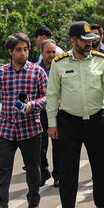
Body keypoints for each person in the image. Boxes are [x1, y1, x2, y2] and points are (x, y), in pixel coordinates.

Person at [46, 21, 104, 208]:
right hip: (69, 122)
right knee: (68, 170)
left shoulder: (100, 60)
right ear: (73, 41)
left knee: (101, 166)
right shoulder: (59, 63)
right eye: (85, 41)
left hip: (96, 120)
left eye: (93, 40)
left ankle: (100, 203)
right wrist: (52, 124)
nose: (90, 44)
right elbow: (52, 95)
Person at [0, 33, 47, 208]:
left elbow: (46, 98)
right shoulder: (0, 73)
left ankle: (33, 199)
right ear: (10, 51)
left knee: (33, 169)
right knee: (3, 170)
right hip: (5, 130)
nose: (23, 53)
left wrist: (31, 106)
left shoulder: (37, 72)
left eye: (25, 49)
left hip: (30, 129)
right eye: (18, 49)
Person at [37, 39, 61, 187]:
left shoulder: (60, 68)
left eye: (54, 52)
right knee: (40, 147)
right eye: (48, 52)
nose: (52, 55)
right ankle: (43, 173)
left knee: (58, 147)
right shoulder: (35, 69)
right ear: (41, 52)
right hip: (40, 114)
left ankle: (58, 175)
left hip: (58, 113)